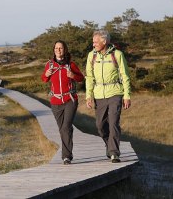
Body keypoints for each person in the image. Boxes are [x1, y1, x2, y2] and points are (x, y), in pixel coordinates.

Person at [85, 30, 131, 163]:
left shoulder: (117, 55)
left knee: (113, 123)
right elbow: (89, 77)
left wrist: (127, 95)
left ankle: (114, 153)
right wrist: (89, 95)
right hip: (99, 95)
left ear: (104, 41)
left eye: (95, 42)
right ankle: (108, 145)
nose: (93, 45)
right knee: (100, 125)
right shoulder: (91, 56)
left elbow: (125, 76)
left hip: (115, 93)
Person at [41, 40, 84, 165]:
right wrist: (46, 75)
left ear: (65, 50)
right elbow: (44, 79)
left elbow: (81, 78)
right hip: (55, 101)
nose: (58, 50)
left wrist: (73, 76)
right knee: (63, 129)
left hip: (70, 99)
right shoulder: (49, 65)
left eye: (60, 48)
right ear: (54, 50)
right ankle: (67, 148)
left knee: (65, 127)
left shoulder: (71, 65)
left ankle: (66, 156)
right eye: (56, 48)